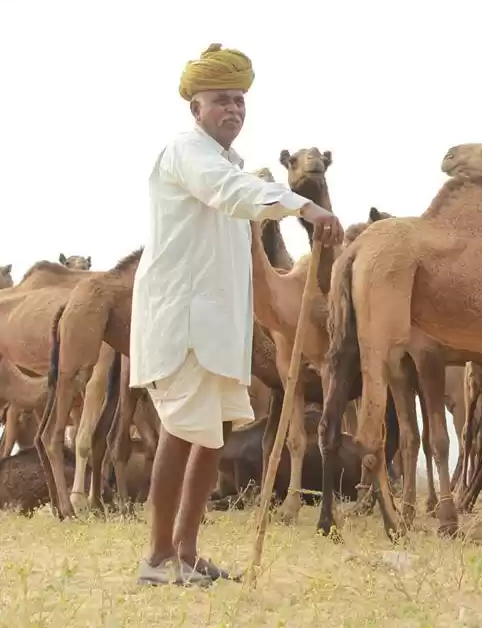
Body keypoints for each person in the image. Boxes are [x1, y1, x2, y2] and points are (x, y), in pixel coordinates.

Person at [130, 42, 343, 587]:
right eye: (221, 99)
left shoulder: (234, 165)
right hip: (184, 320)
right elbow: (230, 193)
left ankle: (187, 550)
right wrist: (303, 205)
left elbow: (237, 194)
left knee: (213, 434)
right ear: (195, 108)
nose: (233, 109)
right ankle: (158, 558)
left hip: (221, 323)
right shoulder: (187, 154)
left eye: (240, 100)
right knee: (181, 430)